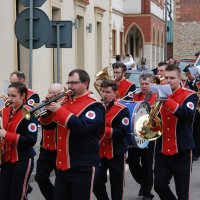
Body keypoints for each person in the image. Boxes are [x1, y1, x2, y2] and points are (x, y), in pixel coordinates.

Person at [43, 69, 105, 200]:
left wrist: (59, 110)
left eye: (74, 83)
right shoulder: (64, 102)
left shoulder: (95, 105)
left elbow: (82, 127)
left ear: (85, 83)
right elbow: (48, 126)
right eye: (68, 83)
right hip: (62, 165)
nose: (70, 86)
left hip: (83, 166)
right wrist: (47, 109)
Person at [154, 65, 198, 200]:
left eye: (172, 78)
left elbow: (188, 115)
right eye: (166, 78)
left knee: (182, 192)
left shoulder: (190, 95)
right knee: (159, 185)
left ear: (179, 79)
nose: (168, 81)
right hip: (162, 149)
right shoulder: (157, 94)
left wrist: (167, 101)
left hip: (182, 150)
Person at [0, 82, 38, 200]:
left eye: (13, 96)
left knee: (18, 195)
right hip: (7, 159)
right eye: (8, 95)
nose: (9, 99)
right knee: (3, 194)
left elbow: (31, 140)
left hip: (23, 159)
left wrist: (7, 135)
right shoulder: (5, 110)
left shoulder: (28, 113)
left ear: (23, 96)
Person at [93, 80, 129, 200]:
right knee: (96, 183)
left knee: (117, 187)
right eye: (102, 91)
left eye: (108, 92)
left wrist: (104, 130)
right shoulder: (96, 107)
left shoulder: (122, 109)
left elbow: (123, 131)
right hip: (99, 152)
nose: (104, 95)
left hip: (116, 152)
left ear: (115, 93)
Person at [127, 73, 157, 200]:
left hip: (149, 133)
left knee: (147, 163)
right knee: (132, 162)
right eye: (142, 83)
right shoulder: (134, 96)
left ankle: (147, 192)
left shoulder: (156, 97)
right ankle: (144, 183)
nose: (144, 86)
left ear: (151, 84)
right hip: (135, 133)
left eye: (146, 84)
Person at [35, 83, 65, 200]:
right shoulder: (45, 104)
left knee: (61, 182)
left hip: (59, 149)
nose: (53, 97)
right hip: (45, 149)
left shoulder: (65, 107)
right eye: (51, 94)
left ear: (62, 94)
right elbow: (41, 123)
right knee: (40, 178)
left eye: (56, 95)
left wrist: (56, 108)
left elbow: (52, 125)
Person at [183, 65, 200, 161]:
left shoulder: (198, 83)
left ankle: (196, 153)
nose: (187, 75)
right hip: (189, 110)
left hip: (198, 112)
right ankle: (190, 151)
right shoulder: (184, 83)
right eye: (187, 73)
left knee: (197, 132)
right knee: (190, 131)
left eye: (189, 73)